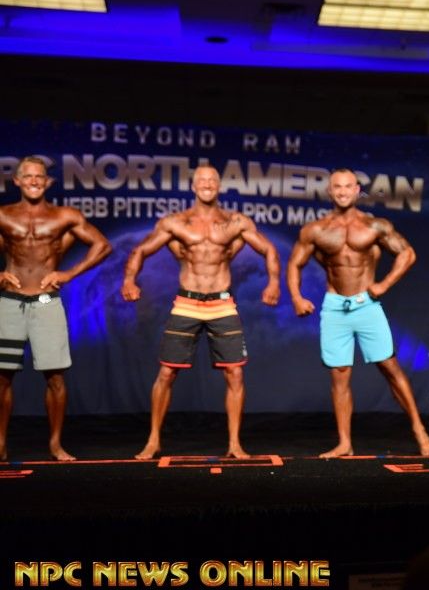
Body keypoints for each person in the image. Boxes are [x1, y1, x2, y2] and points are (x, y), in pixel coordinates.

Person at [121, 165, 280, 460]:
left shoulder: (235, 222)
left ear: (219, 186)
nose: (206, 184)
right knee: (167, 372)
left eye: (212, 180)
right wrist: (129, 280)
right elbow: (140, 250)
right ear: (193, 186)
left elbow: (269, 249)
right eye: (201, 181)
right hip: (187, 302)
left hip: (222, 304)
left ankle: (234, 444)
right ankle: (153, 440)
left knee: (235, 373)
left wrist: (273, 283)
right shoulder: (175, 223)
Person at [287, 168, 429, 459]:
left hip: (366, 305)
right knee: (340, 374)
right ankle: (345, 442)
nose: (343, 192)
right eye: (337, 187)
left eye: (348, 186)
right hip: (335, 307)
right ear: (330, 191)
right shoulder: (316, 230)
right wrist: (296, 297)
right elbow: (295, 263)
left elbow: (407, 253)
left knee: (389, 366)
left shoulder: (374, 225)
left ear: (357, 190)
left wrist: (384, 284)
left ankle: (419, 430)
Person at [0, 156, 111, 461]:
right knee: (2, 377)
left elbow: (102, 245)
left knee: (55, 377)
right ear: (17, 181)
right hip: (10, 300)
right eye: (28, 176)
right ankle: (0, 443)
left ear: (47, 182)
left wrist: (69, 274)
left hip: (46, 300)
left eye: (40, 176)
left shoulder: (64, 216)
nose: (34, 181)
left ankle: (55, 444)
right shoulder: (4, 215)